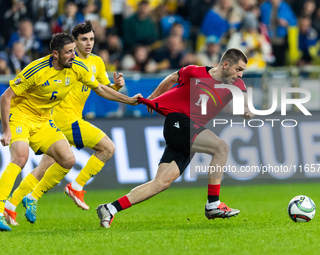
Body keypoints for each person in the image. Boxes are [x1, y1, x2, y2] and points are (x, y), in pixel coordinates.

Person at [96, 48, 254, 228]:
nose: (240, 74)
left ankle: (110, 208)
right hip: (178, 122)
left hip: (191, 129)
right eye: (238, 69)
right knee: (221, 148)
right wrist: (154, 98)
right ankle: (213, 203)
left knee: (161, 182)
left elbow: (244, 102)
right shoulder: (195, 72)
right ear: (226, 65)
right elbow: (171, 78)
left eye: (242, 71)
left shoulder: (237, 85)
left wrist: (247, 110)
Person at [0, 32, 141, 231]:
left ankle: (23, 201)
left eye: (74, 50)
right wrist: (6, 130)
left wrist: (128, 100)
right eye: (68, 52)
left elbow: (100, 88)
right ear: (55, 54)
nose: (73, 55)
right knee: (21, 158)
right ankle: (2, 208)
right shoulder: (37, 69)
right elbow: (6, 97)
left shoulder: (77, 68)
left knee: (68, 160)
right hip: (21, 116)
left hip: (44, 121)